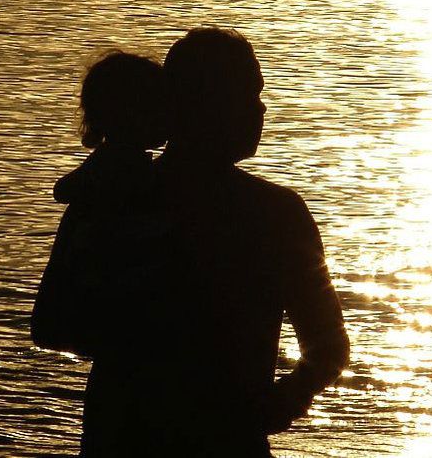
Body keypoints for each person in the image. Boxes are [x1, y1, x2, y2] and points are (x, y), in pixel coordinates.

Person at [147, 27, 351, 456]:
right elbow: (328, 347)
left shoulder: (118, 197)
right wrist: (282, 401)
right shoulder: (276, 214)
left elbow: (55, 325)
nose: (260, 110)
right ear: (201, 105)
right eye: (245, 96)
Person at [30, 50, 175, 454]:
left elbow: (48, 319)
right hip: (140, 387)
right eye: (159, 103)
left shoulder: (89, 190)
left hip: (111, 388)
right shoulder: (146, 189)